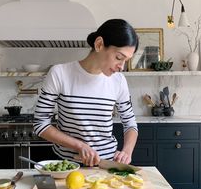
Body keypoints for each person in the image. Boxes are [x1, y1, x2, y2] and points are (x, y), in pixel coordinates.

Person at [33, 19, 139, 167]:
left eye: (126, 60)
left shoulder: (119, 81)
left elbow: (130, 123)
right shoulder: (60, 73)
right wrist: (79, 146)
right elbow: (40, 124)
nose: (122, 66)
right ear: (99, 44)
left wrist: (127, 151)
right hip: (66, 166)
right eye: (119, 57)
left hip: (106, 164)